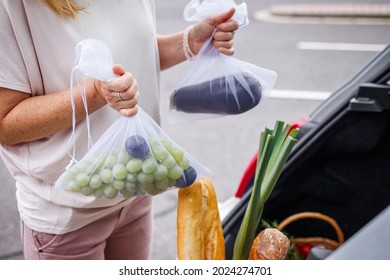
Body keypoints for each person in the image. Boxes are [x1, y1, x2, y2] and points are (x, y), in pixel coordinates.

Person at [0, 0, 239, 260]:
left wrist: (190, 42)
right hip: (68, 216)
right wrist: (93, 94)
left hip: (135, 189)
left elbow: (132, 52)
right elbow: (6, 123)